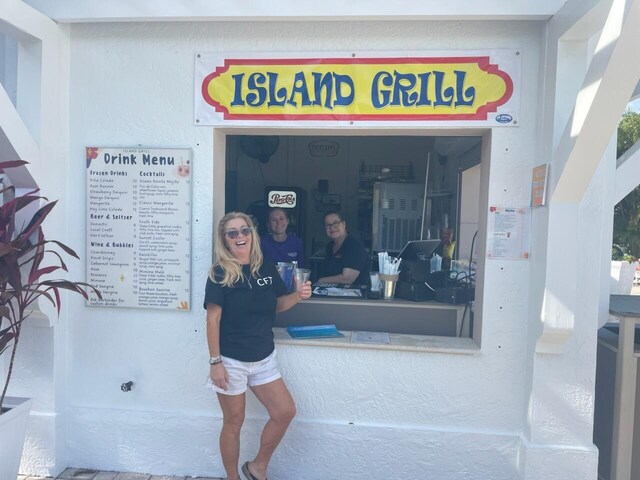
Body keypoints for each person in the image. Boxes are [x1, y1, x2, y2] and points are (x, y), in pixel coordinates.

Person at [204, 211, 312, 480]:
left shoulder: (265, 267)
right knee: (234, 422)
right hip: (231, 360)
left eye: (245, 230)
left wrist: (297, 296)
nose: (240, 236)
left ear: (252, 234)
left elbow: (277, 304)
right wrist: (215, 362)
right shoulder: (219, 274)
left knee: (284, 412)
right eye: (233, 233)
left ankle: (257, 466)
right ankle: (233, 477)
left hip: (264, 357)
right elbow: (212, 318)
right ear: (225, 240)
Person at [317, 211, 370, 286]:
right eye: (328, 225)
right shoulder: (330, 246)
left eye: (335, 223)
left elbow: (347, 279)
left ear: (344, 224)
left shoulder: (354, 245)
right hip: (332, 292)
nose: (332, 227)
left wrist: (320, 281)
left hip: (354, 295)